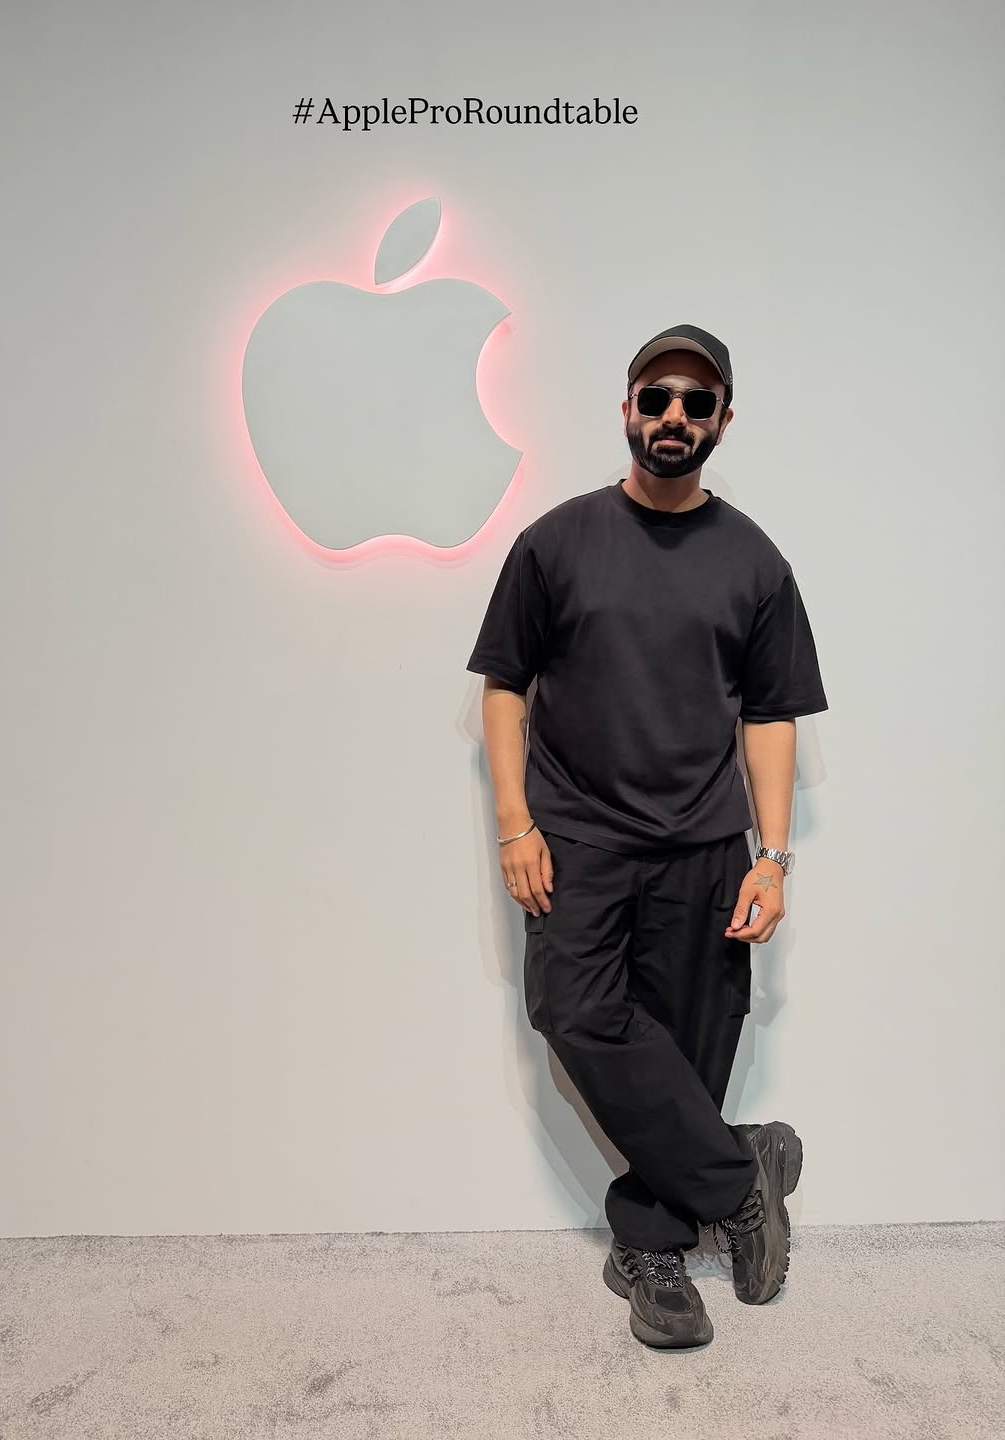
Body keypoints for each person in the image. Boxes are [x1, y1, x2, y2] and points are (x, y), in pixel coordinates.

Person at [466, 324, 828, 1351]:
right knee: (574, 1013)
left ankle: (653, 1250)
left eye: (696, 402)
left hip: (707, 848)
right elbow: (504, 687)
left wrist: (772, 859)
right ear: (626, 408)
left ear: (722, 421)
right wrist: (514, 825)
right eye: (657, 396)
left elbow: (770, 716)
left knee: (689, 1047)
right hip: (577, 841)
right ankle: (739, 1175)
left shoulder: (755, 561)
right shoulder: (555, 543)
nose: (675, 416)